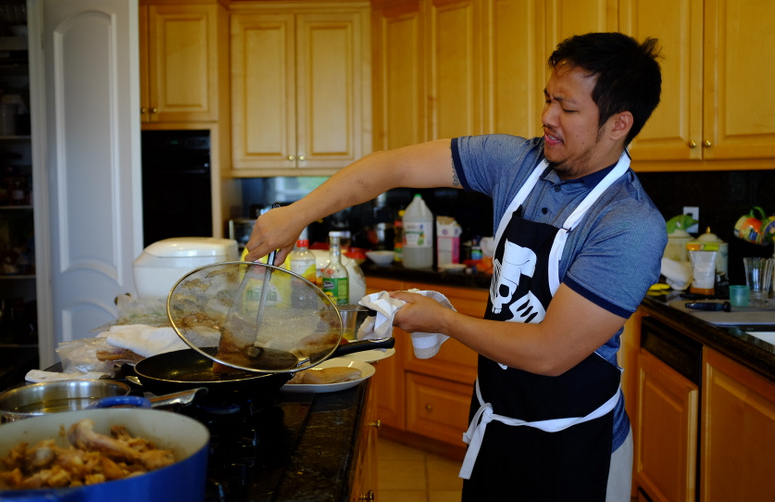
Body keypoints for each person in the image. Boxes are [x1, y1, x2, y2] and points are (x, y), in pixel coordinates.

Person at [244, 32, 667, 501]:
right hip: (495, 419)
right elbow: (393, 168)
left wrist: (443, 320)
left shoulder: (629, 225)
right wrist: (297, 214)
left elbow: (551, 352)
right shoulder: (515, 162)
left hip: (577, 445)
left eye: (567, 108)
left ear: (618, 124)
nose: (547, 116)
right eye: (549, 99)